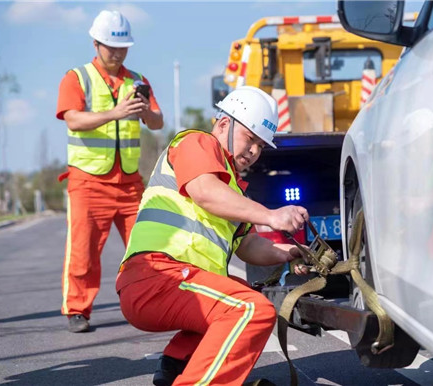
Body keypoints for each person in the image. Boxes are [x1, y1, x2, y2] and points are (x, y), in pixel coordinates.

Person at [116, 86, 309, 386]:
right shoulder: (197, 143)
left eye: (260, 145)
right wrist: (272, 215)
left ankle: (177, 367)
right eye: (250, 138)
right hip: (155, 275)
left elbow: (248, 246)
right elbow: (205, 192)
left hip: (176, 281)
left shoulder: (232, 189)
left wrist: (286, 254)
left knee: (242, 295)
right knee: (249, 310)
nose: (254, 151)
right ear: (223, 125)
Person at [56, 10, 163, 333]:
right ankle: (77, 309)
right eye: (110, 47)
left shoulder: (138, 81)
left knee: (147, 246)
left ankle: (152, 302)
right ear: (96, 43)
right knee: (84, 251)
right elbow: (73, 119)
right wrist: (115, 113)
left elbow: (158, 123)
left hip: (130, 182)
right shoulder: (76, 78)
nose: (117, 53)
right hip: (88, 181)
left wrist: (145, 111)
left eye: (123, 47)